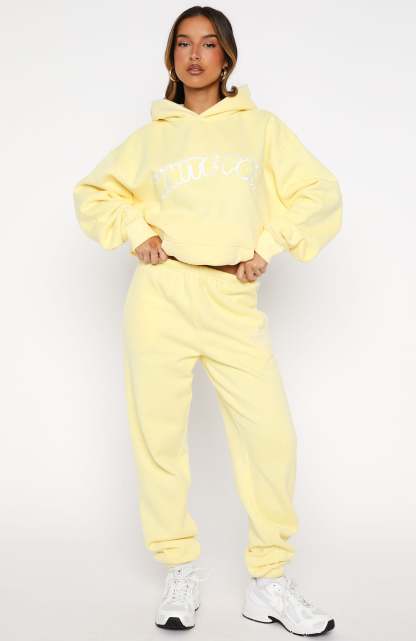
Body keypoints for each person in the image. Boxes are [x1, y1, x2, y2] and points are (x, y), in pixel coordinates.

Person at [73, 6, 342, 637]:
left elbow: (320, 192)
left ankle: (269, 580)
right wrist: (136, 231)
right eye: (183, 44)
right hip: (161, 295)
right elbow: (93, 192)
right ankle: (180, 567)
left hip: (231, 297)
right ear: (171, 57)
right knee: (159, 436)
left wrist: (268, 246)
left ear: (228, 57)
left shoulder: (261, 129)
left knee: (270, 436)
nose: (195, 55)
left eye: (209, 44)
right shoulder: (150, 138)